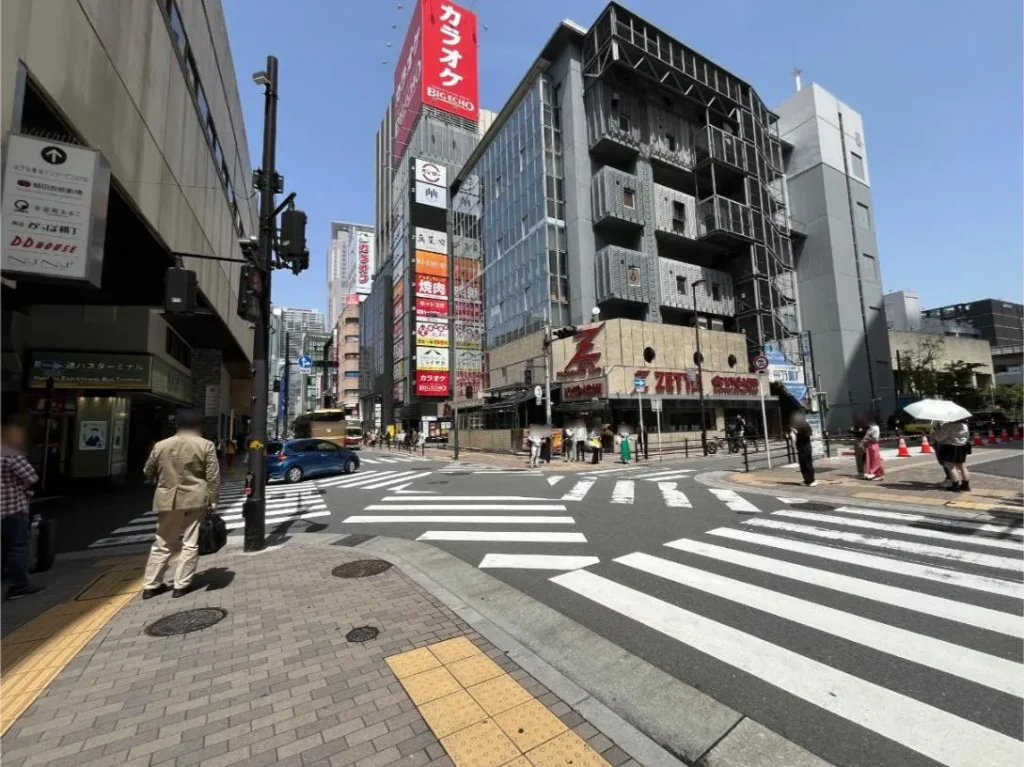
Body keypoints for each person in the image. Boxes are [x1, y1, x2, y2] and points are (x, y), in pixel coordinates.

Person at [142, 408, 220, 599]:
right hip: (195, 498)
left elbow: (148, 470)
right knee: (190, 542)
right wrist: (214, 500)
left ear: (177, 425)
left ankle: (151, 585)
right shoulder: (205, 445)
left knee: (162, 541)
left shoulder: (161, 446)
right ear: (198, 426)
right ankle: (181, 585)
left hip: (167, 498)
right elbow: (213, 477)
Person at [1, 423, 44, 600]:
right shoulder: (10, 453)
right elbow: (31, 476)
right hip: (12, 508)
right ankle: (19, 586)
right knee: (17, 546)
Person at [946, 419, 972, 492]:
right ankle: (966, 485)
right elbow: (967, 437)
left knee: (951, 466)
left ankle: (955, 486)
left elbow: (940, 438)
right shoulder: (964, 425)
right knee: (962, 466)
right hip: (962, 446)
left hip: (951, 446)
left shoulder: (947, 426)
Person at [790, 414, 816, 487]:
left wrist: (796, 431)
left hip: (804, 448)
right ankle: (808, 480)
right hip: (805, 447)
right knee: (805, 464)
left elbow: (804, 435)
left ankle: (810, 480)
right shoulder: (804, 426)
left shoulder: (803, 427)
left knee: (806, 464)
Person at [851, 413, 868, 477]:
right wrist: (855, 431)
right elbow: (852, 431)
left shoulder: (865, 425)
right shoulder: (856, 425)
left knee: (865, 456)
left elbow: (861, 433)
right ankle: (860, 471)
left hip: (862, 441)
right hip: (858, 441)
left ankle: (866, 470)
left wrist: (856, 431)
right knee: (859, 456)